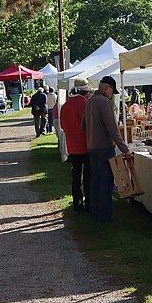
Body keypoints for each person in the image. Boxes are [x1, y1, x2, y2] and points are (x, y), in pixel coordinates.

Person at [82, 75, 130, 222]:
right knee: (105, 182)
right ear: (106, 88)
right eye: (111, 91)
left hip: (92, 147)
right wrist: (125, 149)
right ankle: (104, 216)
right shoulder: (104, 103)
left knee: (95, 181)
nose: (111, 94)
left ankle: (95, 213)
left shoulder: (89, 102)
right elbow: (113, 130)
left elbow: (83, 126)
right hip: (104, 148)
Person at [61, 79, 92, 213]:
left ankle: (76, 205)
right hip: (85, 144)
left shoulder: (65, 106)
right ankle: (88, 204)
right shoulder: (84, 104)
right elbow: (89, 126)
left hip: (72, 146)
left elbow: (63, 126)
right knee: (87, 176)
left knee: (76, 176)